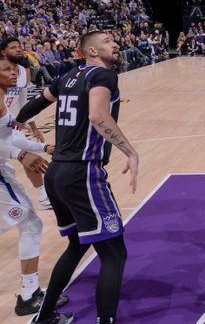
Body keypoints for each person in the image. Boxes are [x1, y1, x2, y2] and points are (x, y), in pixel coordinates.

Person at [16, 31, 140, 324]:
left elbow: (29, 108)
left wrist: (20, 125)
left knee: (77, 245)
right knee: (114, 254)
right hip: (82, 173)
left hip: (57, 172)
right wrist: (130, 151)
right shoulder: (104, 76)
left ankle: (44, 317)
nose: (116, 43)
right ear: (92, 52)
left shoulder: (68, 77)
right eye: (108, 41)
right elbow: (98, 116)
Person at [0, 56, 69, 317]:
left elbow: (9, 135)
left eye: (14, 68)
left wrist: (43, 147)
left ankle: (30, 293)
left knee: (30, 224)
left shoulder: (4, 97)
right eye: (6, 69)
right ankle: (28, 297)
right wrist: (19, 155)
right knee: (31, 224)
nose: (13, 72)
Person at [1, 37, 51, 209]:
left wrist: (34, 127)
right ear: (3, 52)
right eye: (13, 47)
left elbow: (23, 102)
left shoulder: (23, 71)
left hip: (9, 124)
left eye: (19, 46)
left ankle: (43, 198)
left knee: (28, 154)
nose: (18, 49)